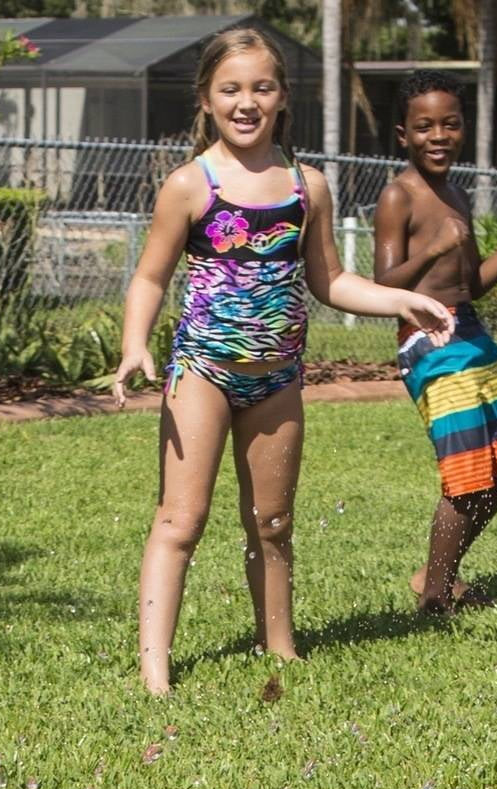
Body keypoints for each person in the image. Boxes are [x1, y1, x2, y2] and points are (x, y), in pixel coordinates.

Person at [112, 29, 456, 697]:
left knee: (272, 524)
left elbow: (329, 280)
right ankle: (155, 669)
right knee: (180, 520)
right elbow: (151, 277)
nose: (247, 102)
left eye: (261, 88)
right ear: (206, 100)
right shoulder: (190, 184)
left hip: (277, 378)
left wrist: (400, 300)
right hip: (203, 373)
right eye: (231, 89)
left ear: (282, 97)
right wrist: (135, 344)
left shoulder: (307, 187)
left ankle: (280, 645)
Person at [372, 72, 497, 616]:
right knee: (467, 471)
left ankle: (436, 573)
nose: (438, 135)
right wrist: (434, 248)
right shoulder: (399, 196)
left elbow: (470, 284)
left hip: (469, 329)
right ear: (404, 134)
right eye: (425, 127)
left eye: (450, 124)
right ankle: (434, 598)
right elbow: (382, 286)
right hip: (427, 337)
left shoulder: (456, 195)